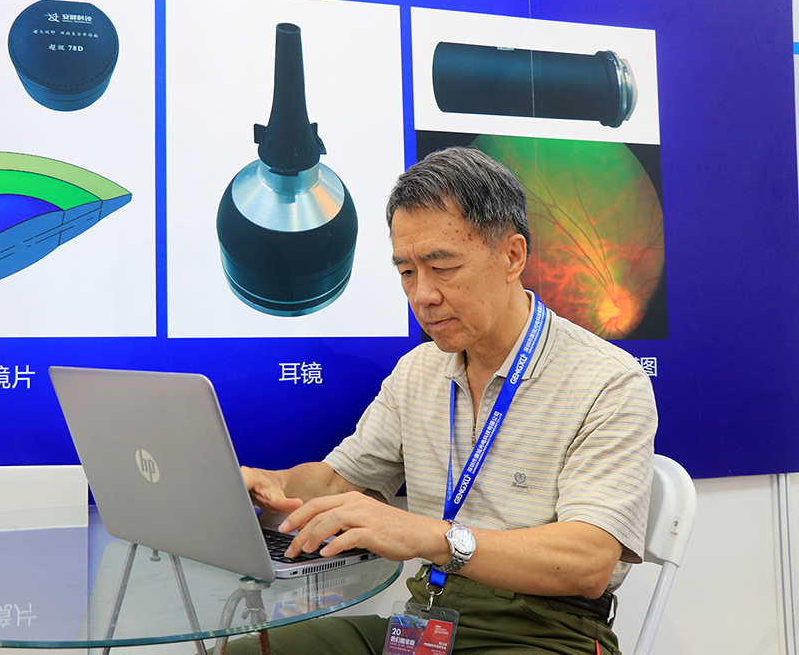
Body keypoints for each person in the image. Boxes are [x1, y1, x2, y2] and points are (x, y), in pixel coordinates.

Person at [233, 146, 657, 654]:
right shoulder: (419, 370)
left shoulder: (608, 380)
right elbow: (336, 481)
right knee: (247, 651)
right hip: (427, 621)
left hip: (548, 634)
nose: (423, 295)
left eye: (442, 266)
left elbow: (589, 563)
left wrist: (430, 537)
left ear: (513, 256)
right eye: (407, 272)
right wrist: (272, 485)